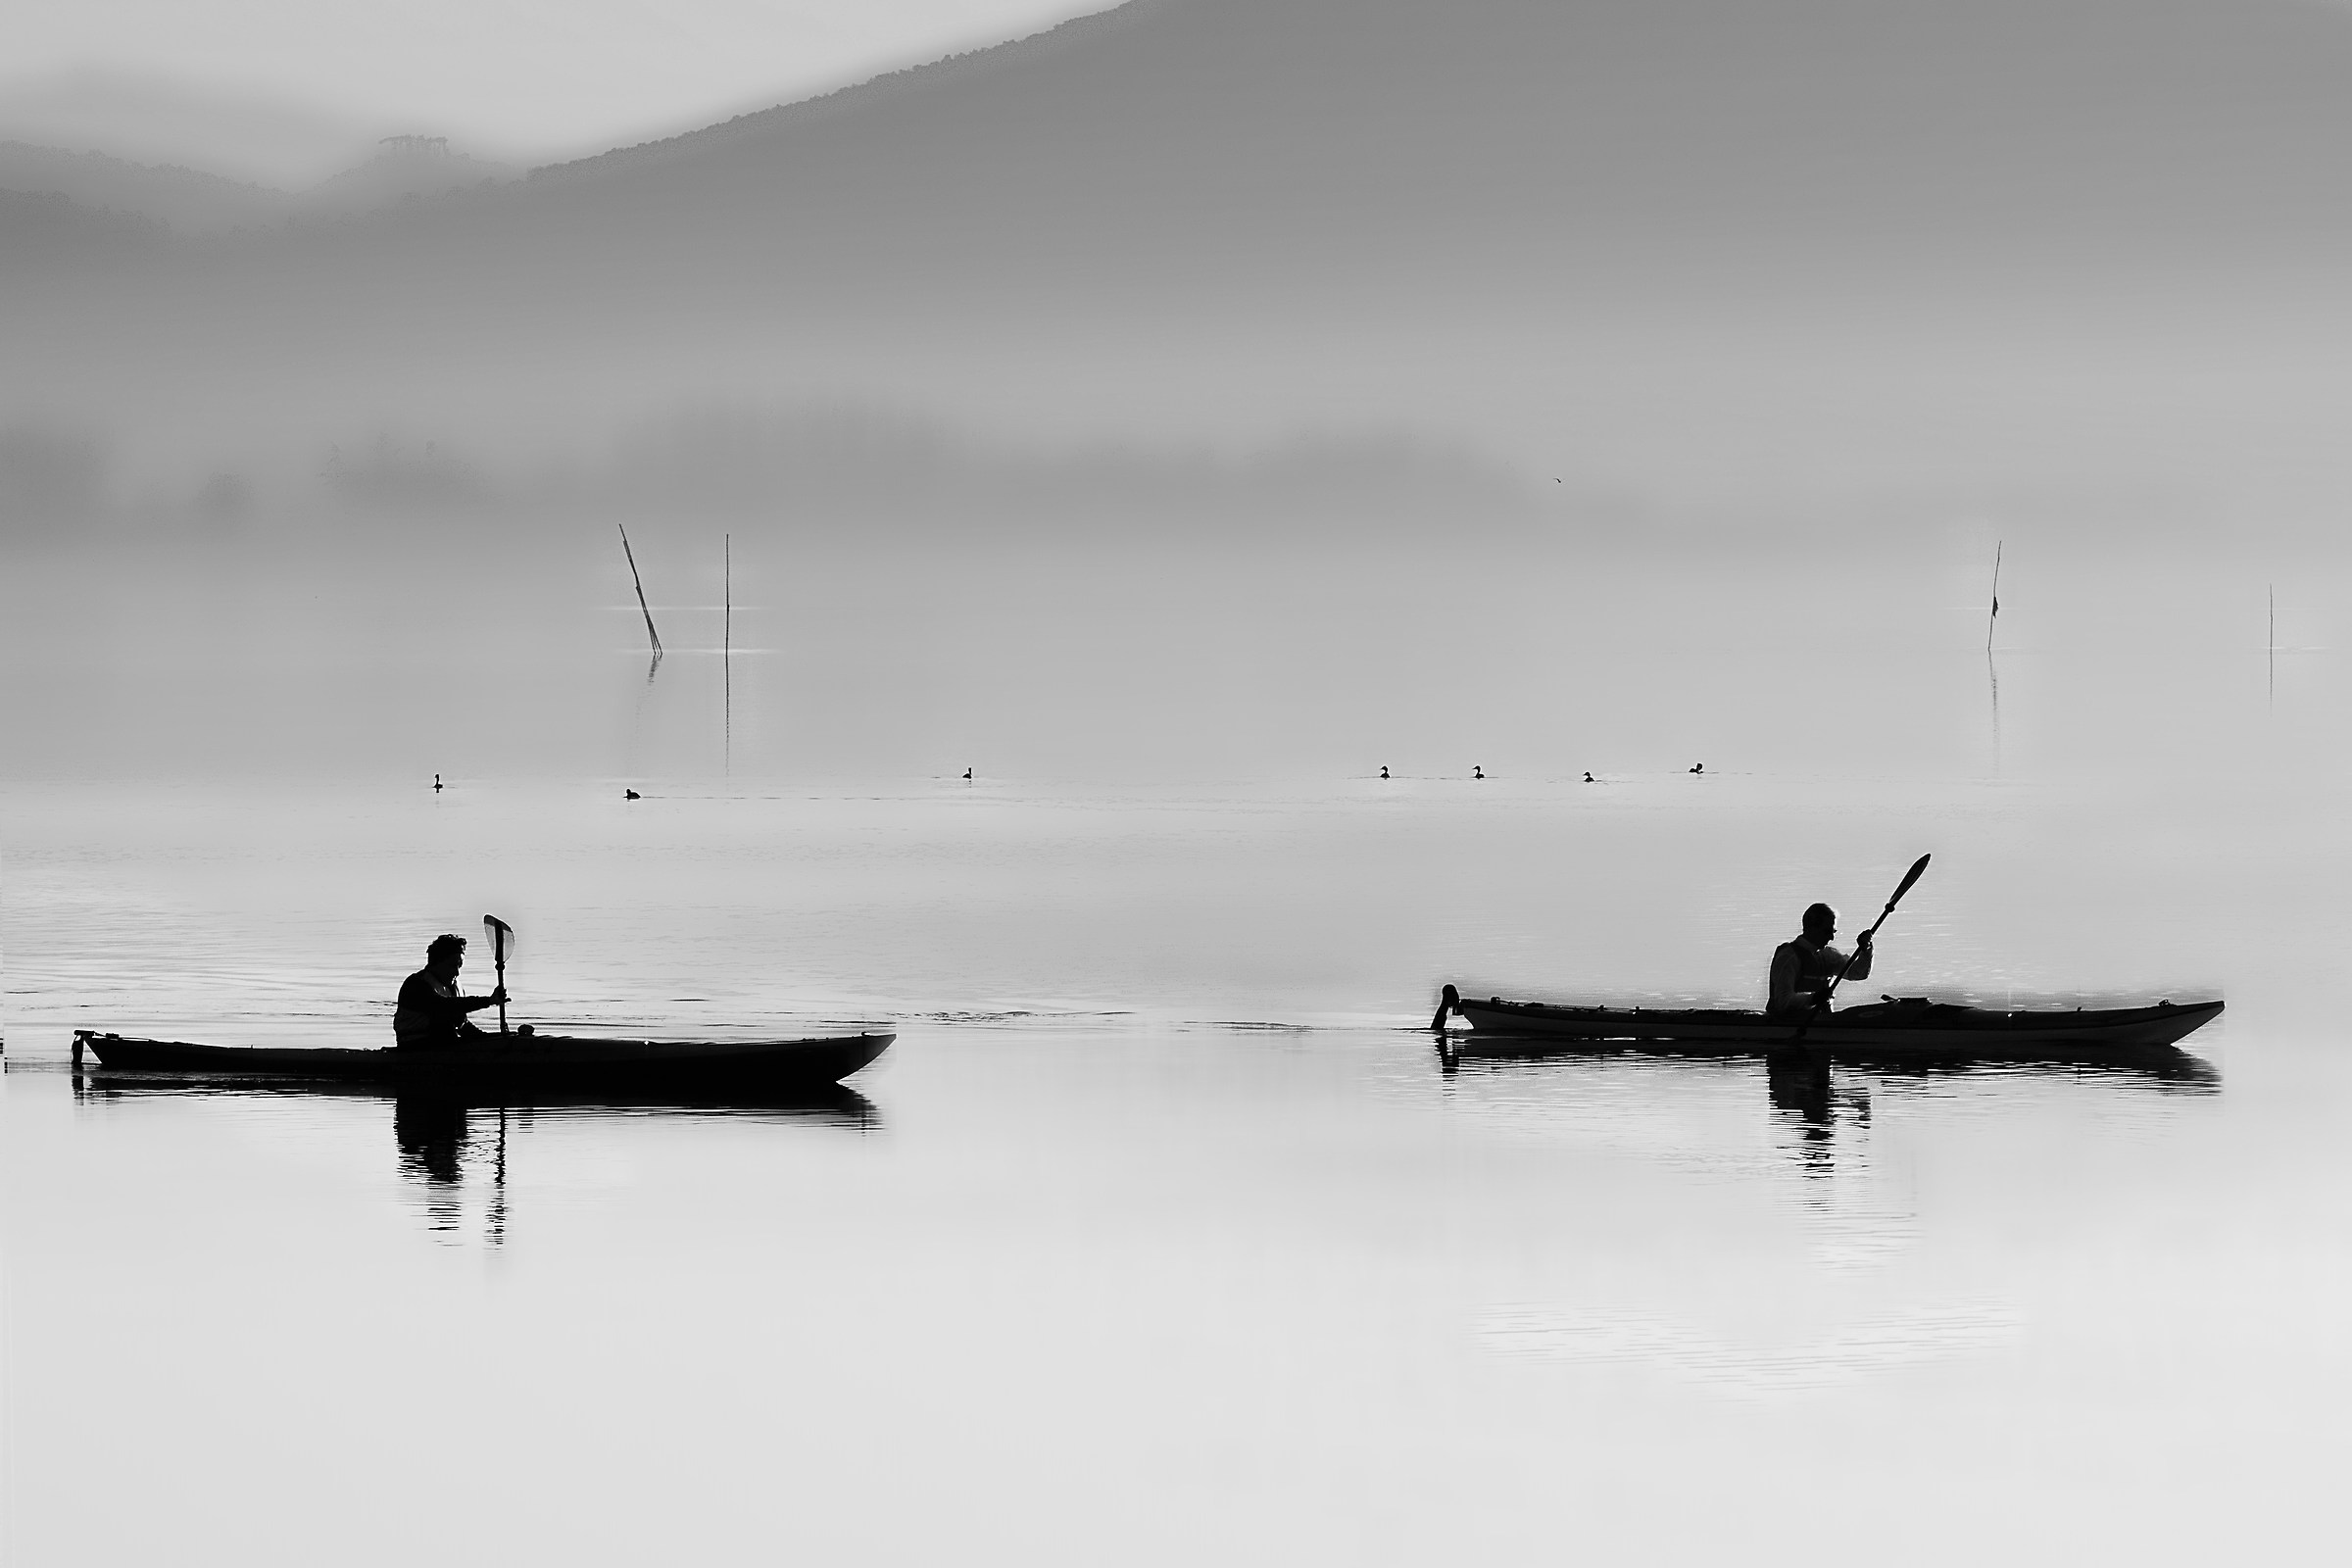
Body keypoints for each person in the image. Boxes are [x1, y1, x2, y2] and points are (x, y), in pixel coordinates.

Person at [393, 933, 507, 1050]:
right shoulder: (416, 985)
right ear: (436, 963)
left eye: (459, 966)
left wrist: (494, 1039)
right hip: (415, 1047)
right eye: (452, 966)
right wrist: (488, 1001)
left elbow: (463, 1026)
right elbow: (444, 1006)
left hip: (447, 1045)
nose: (457, 973)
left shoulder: (455, 987)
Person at [1767, 902, 1871, 1016]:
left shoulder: (1829, 955)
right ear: (1811, 928)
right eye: (1827, 931)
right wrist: (1814, 998)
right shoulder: (1789, 956)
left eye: (1834, 932)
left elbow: (1858, 973)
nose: (1831, 937)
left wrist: (1865, 950)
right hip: (1789, 1023)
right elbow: (1783, 1002)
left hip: (1821, 1021)